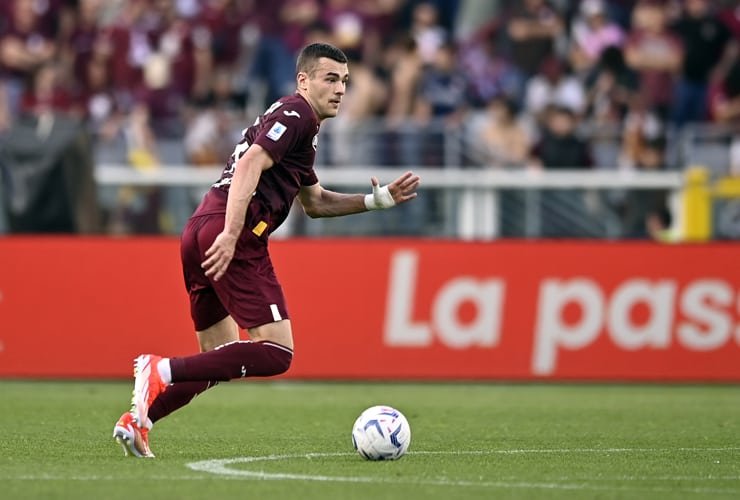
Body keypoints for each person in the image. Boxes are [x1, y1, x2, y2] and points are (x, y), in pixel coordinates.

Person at [112, 42, 420, 458]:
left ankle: (138, 420)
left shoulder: (302, 134)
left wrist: (376, 200)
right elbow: (250, 163)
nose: (341, 89)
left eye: (345, 81)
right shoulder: (296, 114)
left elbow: (315, 204)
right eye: (331, 79)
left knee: (218, 358)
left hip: (201, 228)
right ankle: (159, 369)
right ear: (304, 80)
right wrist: (232, 231)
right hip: (232, 233)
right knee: (276, 352)